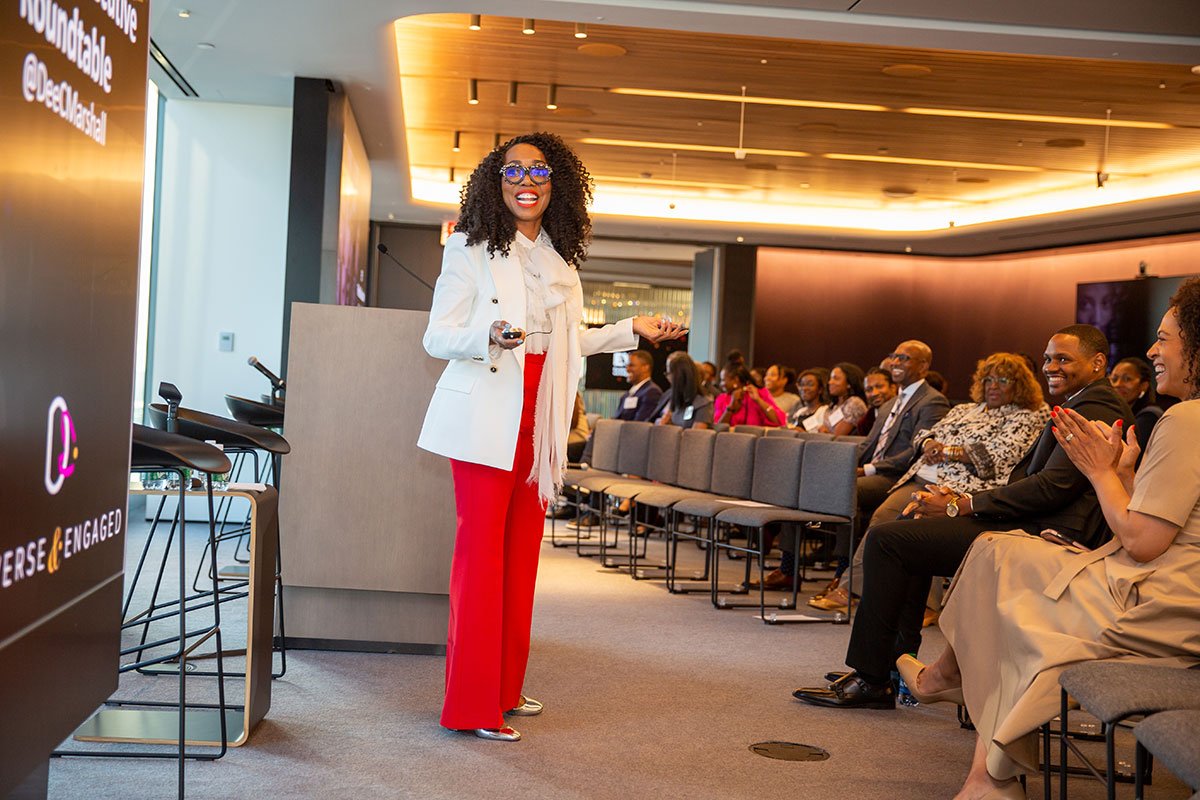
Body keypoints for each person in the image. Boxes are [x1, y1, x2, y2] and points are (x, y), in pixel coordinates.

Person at [417, 132, 685, 741]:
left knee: (519, 558)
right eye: (513, 171)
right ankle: (472, 705)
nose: (526, 180)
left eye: (538, 170)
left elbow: (565, 344)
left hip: (540, 417)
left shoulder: (559, 260)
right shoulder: (470, 246)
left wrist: (629, 329)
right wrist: (490, 333)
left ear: (555, 184)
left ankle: (505, 689)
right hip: (489, 410)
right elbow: (437, 336)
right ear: (496, 181)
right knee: (481, 562)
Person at [901, 278, 1200, 800]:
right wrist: (1124, 477)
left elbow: (1145, 543)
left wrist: (1101, 473)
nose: (1152, 349)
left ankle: (987, 770)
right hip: (1170, 588)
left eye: (1165, 338)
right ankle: (955, 698)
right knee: (999, 549)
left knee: (1013, 598)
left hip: (1162, 604)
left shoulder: (1186, 421)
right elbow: (1163, 522)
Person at [792, 325, 1131, 711]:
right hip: (1032, 519)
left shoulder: (1095, 408)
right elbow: (1041, 483)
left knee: (889, 542)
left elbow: (1051, 489)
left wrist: (964, 504)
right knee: (904, 534)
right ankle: (888, 669)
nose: (1051, 366)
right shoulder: (1084, 400)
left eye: (1063, 359)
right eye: (1049, 358)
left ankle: (873, 677)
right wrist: (961, 498)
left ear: (1098, 362)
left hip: (1046, 535)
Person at [809, 353, 1048, 612]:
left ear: (1020, 384)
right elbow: (924, 435)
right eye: (988, 379)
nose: (993, 385)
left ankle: (925, 606)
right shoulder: (965, 409)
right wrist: (929, 444)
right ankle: (856, 591)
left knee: (921, 521)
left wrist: (946, 451)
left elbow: (999, 454)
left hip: (965, 488)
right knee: (882, 518)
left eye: (1003, 380)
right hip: (922, 478)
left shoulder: (1026, 415)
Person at [1108, 356, 1163, 454]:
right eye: (1114, 379)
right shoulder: (1116, 413)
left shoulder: (1149, 417)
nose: (1118, 384)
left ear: (1143, 386)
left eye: (1127, 379)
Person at [656, 351, 713, 429]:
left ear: (678, 376)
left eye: (668, 373)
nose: (667, 378)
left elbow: (696, 438)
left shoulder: (703, 403)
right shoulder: (672, 396)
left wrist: (670, 428)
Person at [714, 363, 784, 427]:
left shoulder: (759, 393)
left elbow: (777, 421)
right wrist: (731, 407)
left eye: (723, 380)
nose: (721, 384)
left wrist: (758, 400)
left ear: (736, 379)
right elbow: (719, 428)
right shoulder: (722, 399)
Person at [817, 362, 868, 436]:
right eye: (830, 378)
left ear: (849, 383)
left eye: (836, 378)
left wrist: (825, 432)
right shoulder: (833, 405)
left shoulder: (855, 403)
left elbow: (837, 437)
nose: (830, 382)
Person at [618, 349, 663, 421]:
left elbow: (640, 424)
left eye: (631, 365)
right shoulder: (626, 395)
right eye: (627, 366)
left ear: (645, 368)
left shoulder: (652, 392)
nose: (627, 369)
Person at [860, 366, 897, 435]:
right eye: (869, 390)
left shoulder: (907, 414)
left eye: (879, 387)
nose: (874, 393)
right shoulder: (864, 424)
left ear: (893, 388)